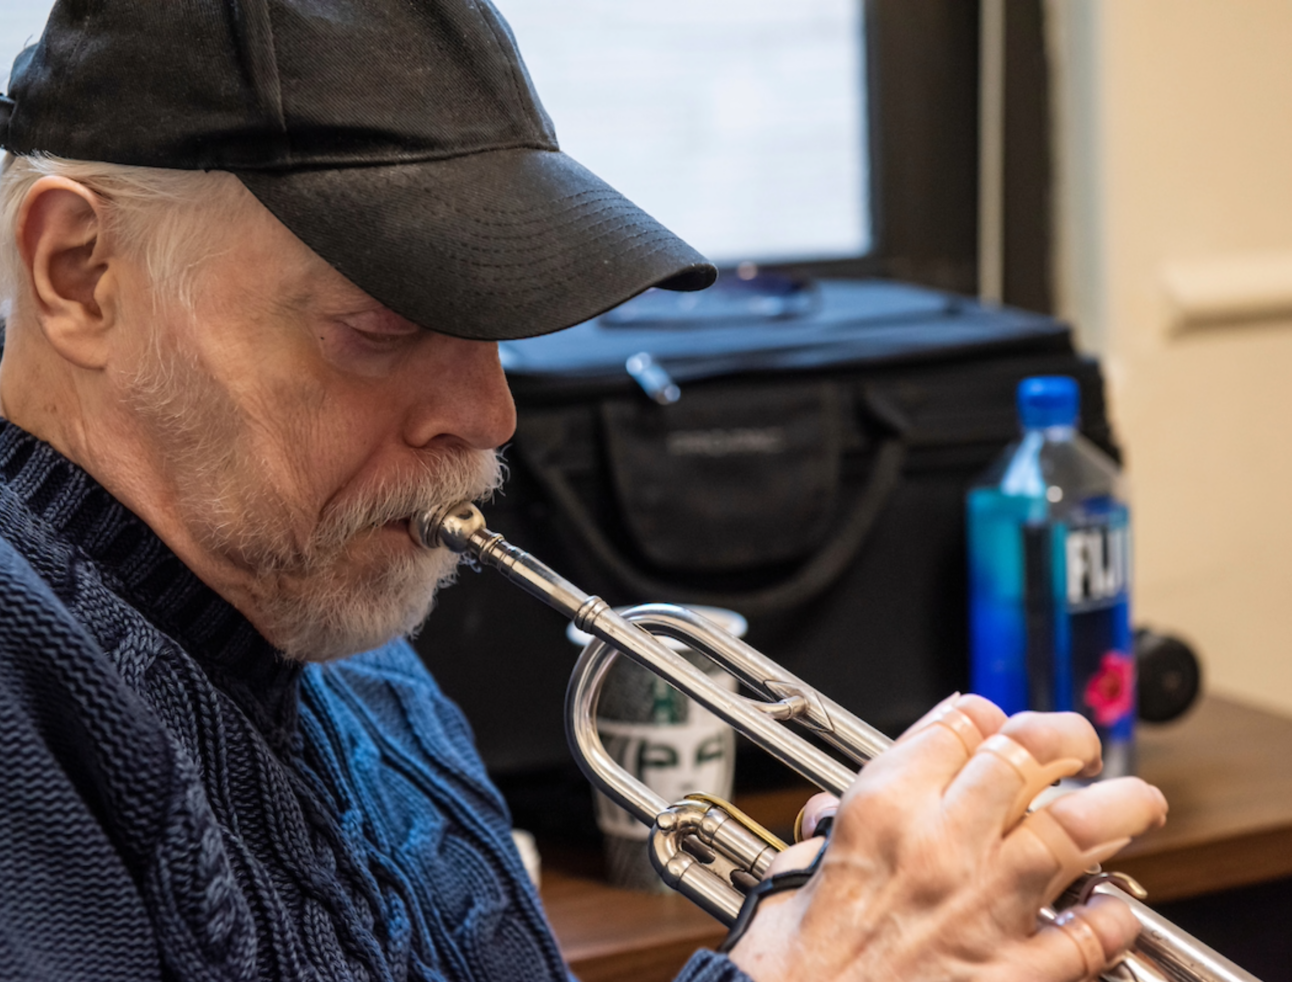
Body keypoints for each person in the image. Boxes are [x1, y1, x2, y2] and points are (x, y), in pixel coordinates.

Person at [0, 2, 1167, 981]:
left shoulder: (339, 638)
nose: (489, 414)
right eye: (385, 324)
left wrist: (839, 923)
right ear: (79, 273)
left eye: (495, 325)